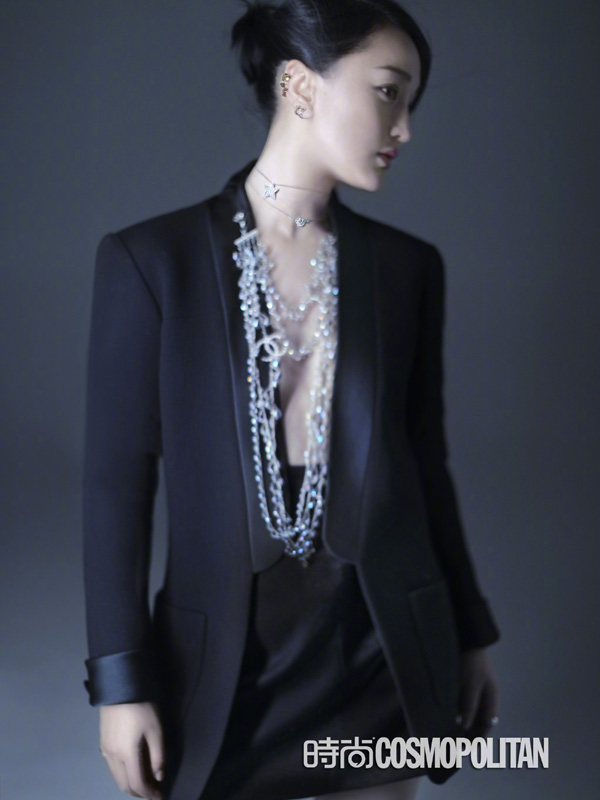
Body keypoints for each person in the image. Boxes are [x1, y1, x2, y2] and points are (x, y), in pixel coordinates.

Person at [82, 1, 501, 799]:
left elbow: (426, 470)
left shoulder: (408, 270)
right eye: (389, 91)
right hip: (225, 674)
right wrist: (120, 683)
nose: (405, 129)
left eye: (411, 102)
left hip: (379, 657)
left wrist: (471, 636)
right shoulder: (152, 261)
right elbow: (115, 486)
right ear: (300, 85)